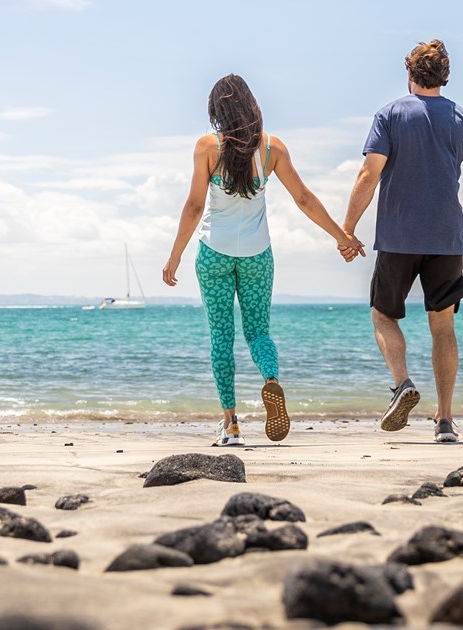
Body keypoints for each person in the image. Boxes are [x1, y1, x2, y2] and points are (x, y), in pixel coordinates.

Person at [163, 74, 364, 446]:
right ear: (252, 106)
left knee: (221, 337)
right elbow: (303, 198)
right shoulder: (273, 149)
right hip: (258, 255)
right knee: (258, 332)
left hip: (214, 254)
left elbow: (193, 206)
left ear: (216, 111)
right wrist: (342, 237)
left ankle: (231, 424)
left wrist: (174, 255)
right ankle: (271, 379)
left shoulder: (207, 147)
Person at [341, 39, 463, 443]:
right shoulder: (459, 117)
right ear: (443, 76)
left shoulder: (391, 114)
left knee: (383, 314)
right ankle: (444, 420)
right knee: (442, 326)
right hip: (449, 238)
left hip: (398, 236)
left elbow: (368, 174)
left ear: (409, 74)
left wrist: (348, 229)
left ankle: (402, 384)